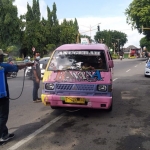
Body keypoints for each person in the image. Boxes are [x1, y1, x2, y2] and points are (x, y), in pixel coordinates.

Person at [0, 49, 34, 145]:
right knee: (3, 116)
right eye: (2, 55)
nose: (3, 57)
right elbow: (16, 67)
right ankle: (1, 137)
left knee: (1, 116)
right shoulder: (2, 66)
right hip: (2, 96)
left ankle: (5, 133)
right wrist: (27, 65)